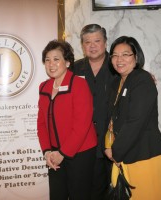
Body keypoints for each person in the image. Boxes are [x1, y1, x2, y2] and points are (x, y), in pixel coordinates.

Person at [104, 36, 161, 200]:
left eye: (125, 54)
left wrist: (115, 151)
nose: (119, 59)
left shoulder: (142, 80)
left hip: (144, 154)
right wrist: (108, 146)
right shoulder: (116, 83)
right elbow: (112, 121)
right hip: (123, 154)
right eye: (115, 55)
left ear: (136, 57)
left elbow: (136, 121)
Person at [37, 40, 97, 200]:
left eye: (56, 59)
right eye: (47, 60)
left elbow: (82, 125)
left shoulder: (79, 84)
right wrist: (47, 151)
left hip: (80, 154)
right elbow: (41, 123)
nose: (51, 64)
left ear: (68, 62)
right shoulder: (44, 87)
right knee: (57, 195)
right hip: (54, 154)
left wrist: (63, 153)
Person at [72, 24, 118, 200]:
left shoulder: (118, 66)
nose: (92, 46)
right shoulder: (74, 70)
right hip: (83, 143)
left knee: (113, 190)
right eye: (87, 42)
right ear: (82, 46)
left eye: (97, 41)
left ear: (105, 43)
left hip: (113, 142)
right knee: (86, 190)